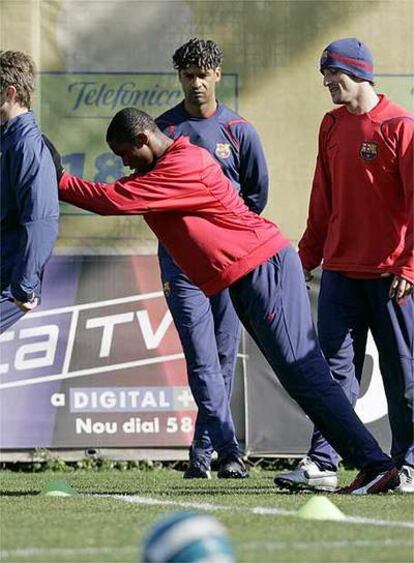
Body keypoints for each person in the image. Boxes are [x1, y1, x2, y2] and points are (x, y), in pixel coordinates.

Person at [48, 106, 401, 494]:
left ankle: (376, 463)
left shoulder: (182, 166)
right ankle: (370, 463)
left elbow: (111, 200)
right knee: (301, 379)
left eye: (125, 154)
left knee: (307, 376)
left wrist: (60, 179)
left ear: (143, 140)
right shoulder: (169, 164)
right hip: (249, 276)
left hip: (265, 269)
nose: (123, 163)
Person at [274, 38, 413, 494]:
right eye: (324, 75)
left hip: (392, 277)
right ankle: (323, 462)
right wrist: (305, 259)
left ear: (359, 73)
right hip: (339, 272)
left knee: (403, 374)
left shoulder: (400, 126)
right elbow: (322, 199)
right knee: (331, 375)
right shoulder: (331, 125)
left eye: (333, 74)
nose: (327, 82)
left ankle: (408, 463)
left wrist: (409, 266)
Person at [155, 38, 269, 479]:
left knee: (221, 360)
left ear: (218, 75)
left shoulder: (240, 131)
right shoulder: (163, 130)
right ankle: (228, 451)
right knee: (202, 360)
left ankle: (202, 455)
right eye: (189, 75)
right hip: (181, 268)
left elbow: (255, 197)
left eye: (204, 75)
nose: (197, 83)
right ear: (179, 77)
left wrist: (223, 238)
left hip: (227, 265)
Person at [0, 50, 59, 334]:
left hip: (6, 280)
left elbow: (40, 220)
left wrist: (23, 287)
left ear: (10, 93)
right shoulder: (6, 138)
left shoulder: (27, 147)